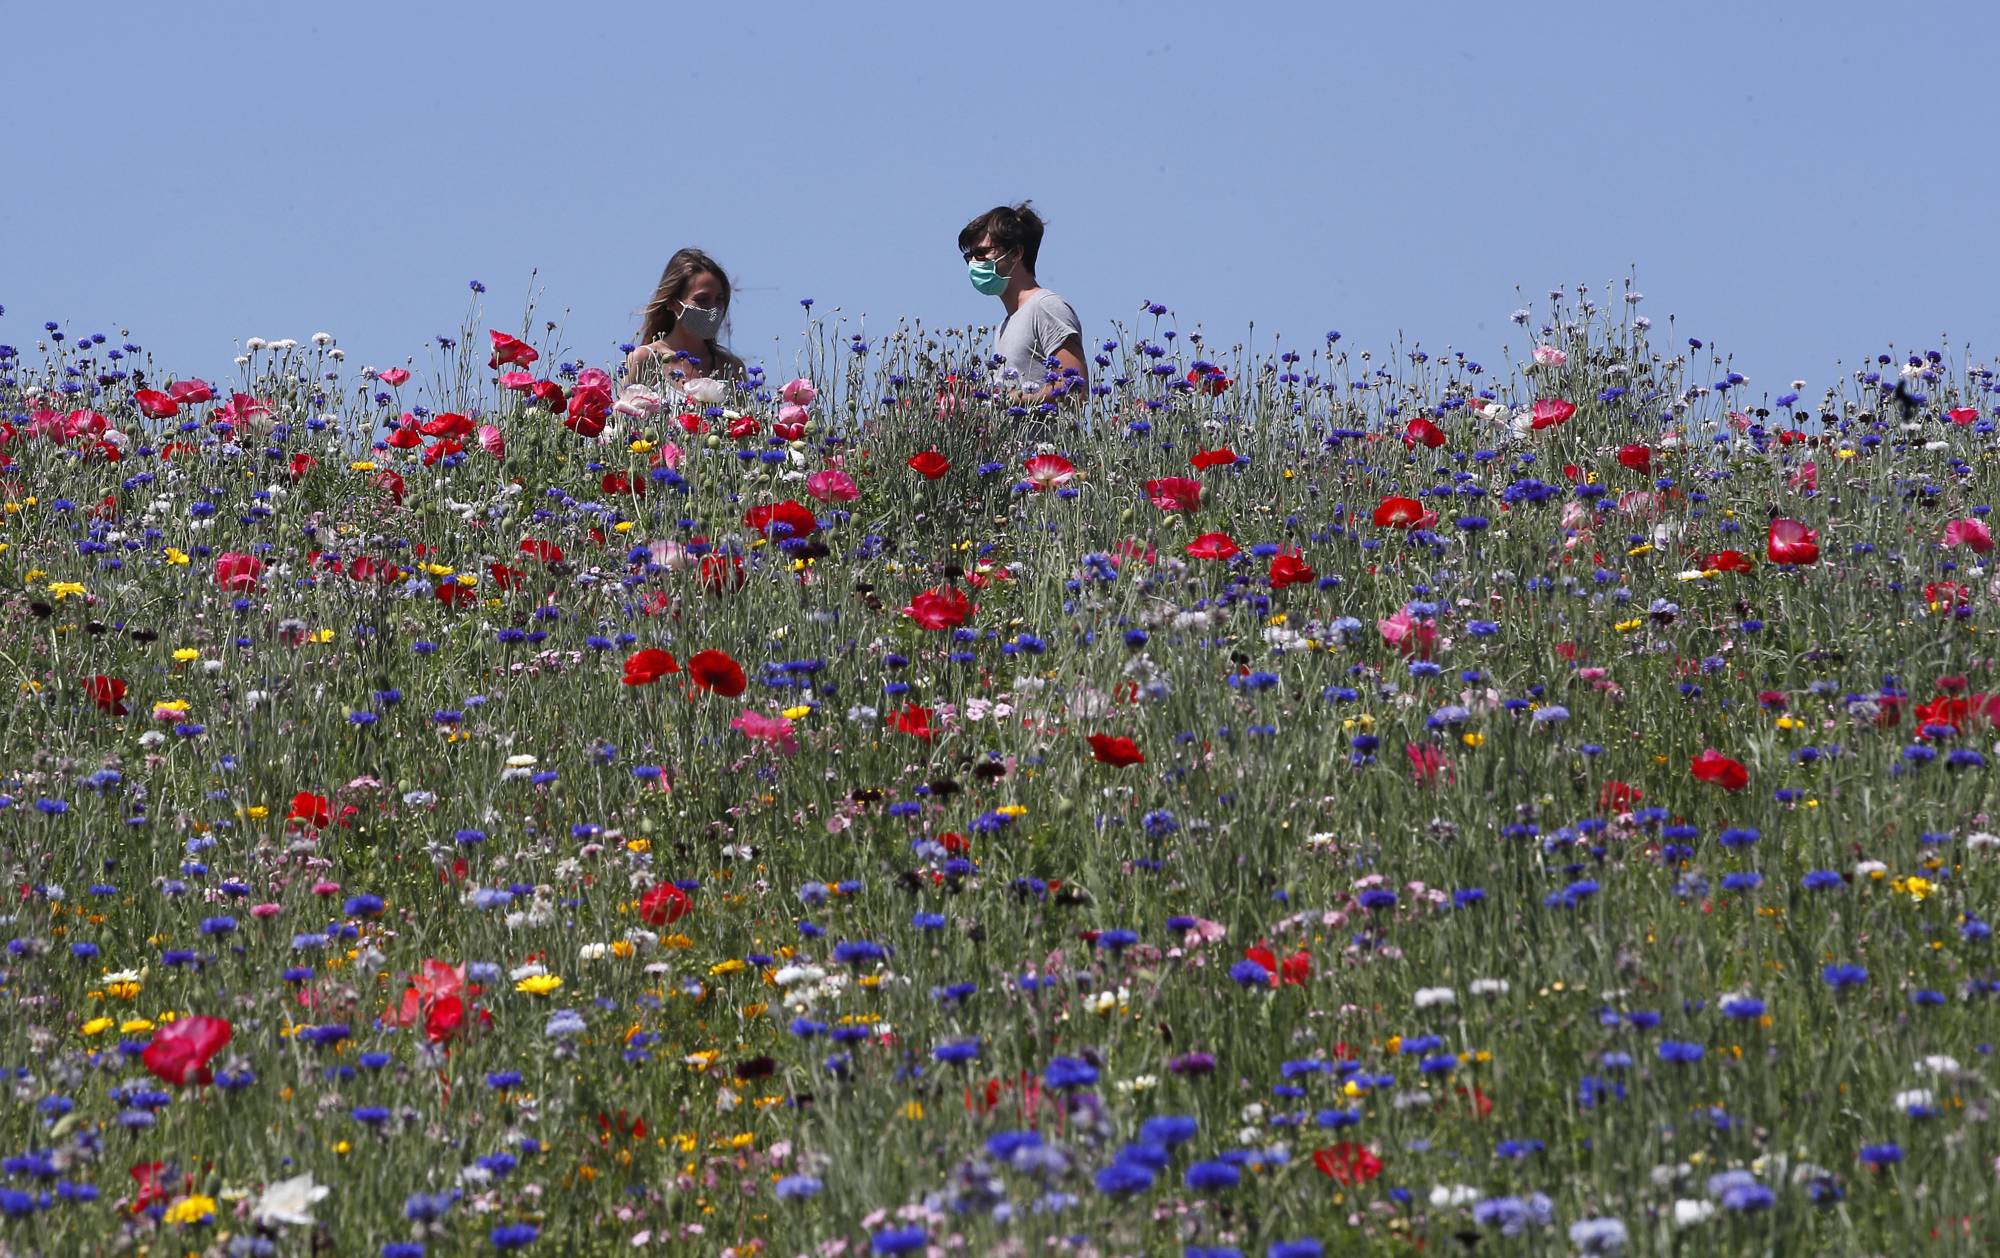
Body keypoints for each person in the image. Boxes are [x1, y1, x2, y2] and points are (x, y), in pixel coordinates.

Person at [957, 202, 1088, 403]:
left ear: (1016, 253)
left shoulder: (1045, 307)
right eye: (970, 257)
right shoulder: (1003, 326)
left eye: (982, 253)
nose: (975, 263)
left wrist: (1013, 401)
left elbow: (1075, 388)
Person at [627, 248, 746, 391]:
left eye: (719, 299)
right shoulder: (644, 360)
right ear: (672, 302)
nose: (713, 309)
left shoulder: (731, 367)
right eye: (702, 299)